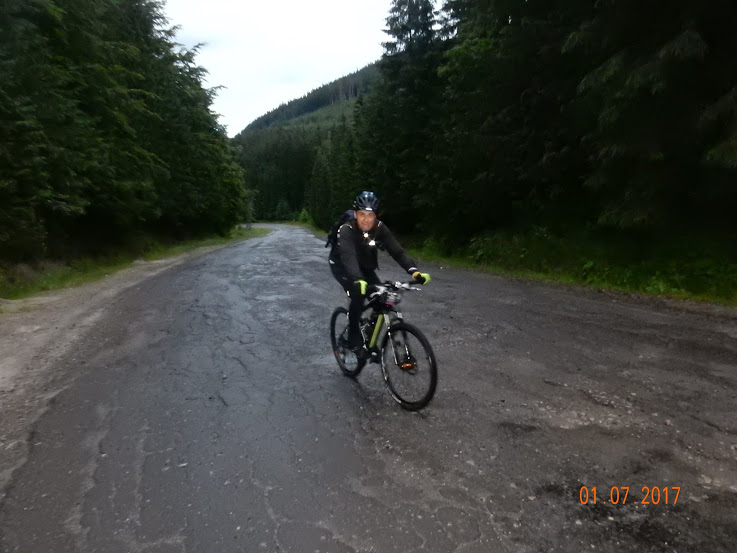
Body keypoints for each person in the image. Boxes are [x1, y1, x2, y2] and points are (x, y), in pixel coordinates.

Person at [328, 191, 431, 352]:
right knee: (358, 294)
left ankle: (369, 335)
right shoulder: (346, 229)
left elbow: (398, 252)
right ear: (355, 214)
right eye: (362, 214)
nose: (366, 219)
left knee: (381, 298)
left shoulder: (379, 228)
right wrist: (357, 279)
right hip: (342, 265)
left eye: (370, 215)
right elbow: (348, 257)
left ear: (376, 216)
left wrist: (414, 272)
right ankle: (353, 335)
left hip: (364, 267)